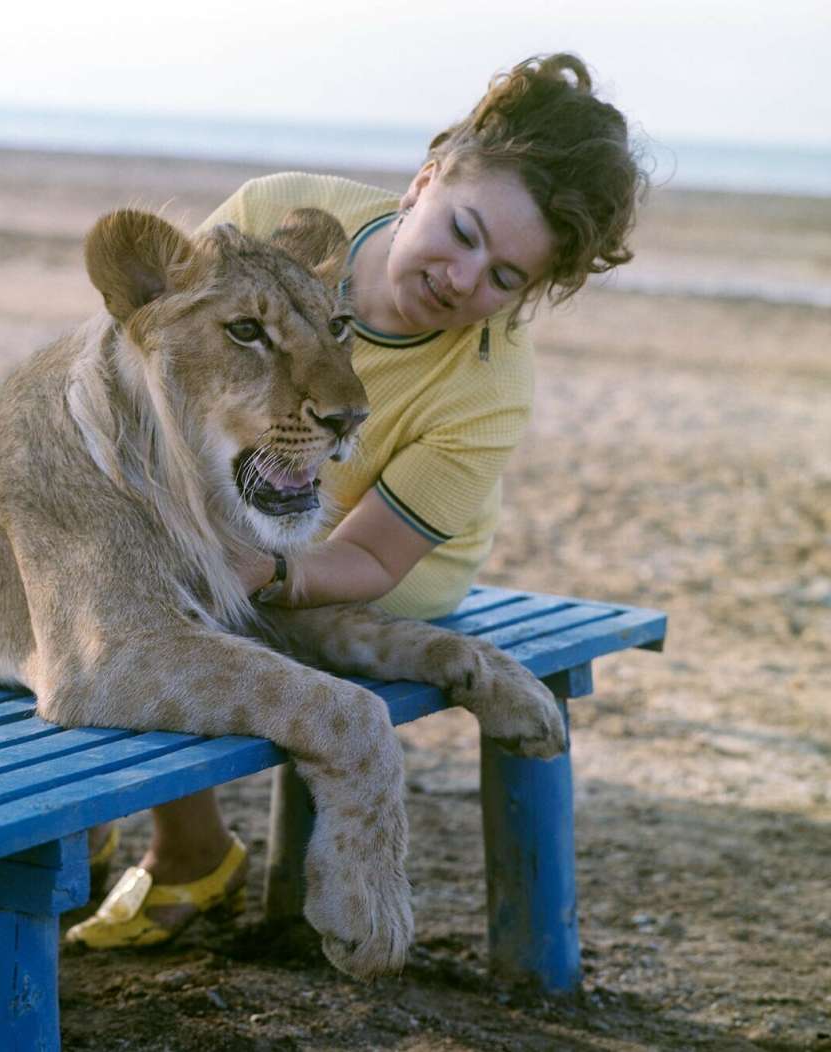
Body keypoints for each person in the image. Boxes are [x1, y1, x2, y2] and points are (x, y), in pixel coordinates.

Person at [65, 52, 645, 950]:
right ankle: (106, 815)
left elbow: (369, 558)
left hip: (368, 556)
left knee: (181, 610)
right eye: (462, 231)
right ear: (423, 183)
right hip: (239, 486)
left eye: (504, 279)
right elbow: (158, 357)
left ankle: (188, 850)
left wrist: (252, 565)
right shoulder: (276, 211)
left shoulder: (490, 389)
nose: (464, 279)